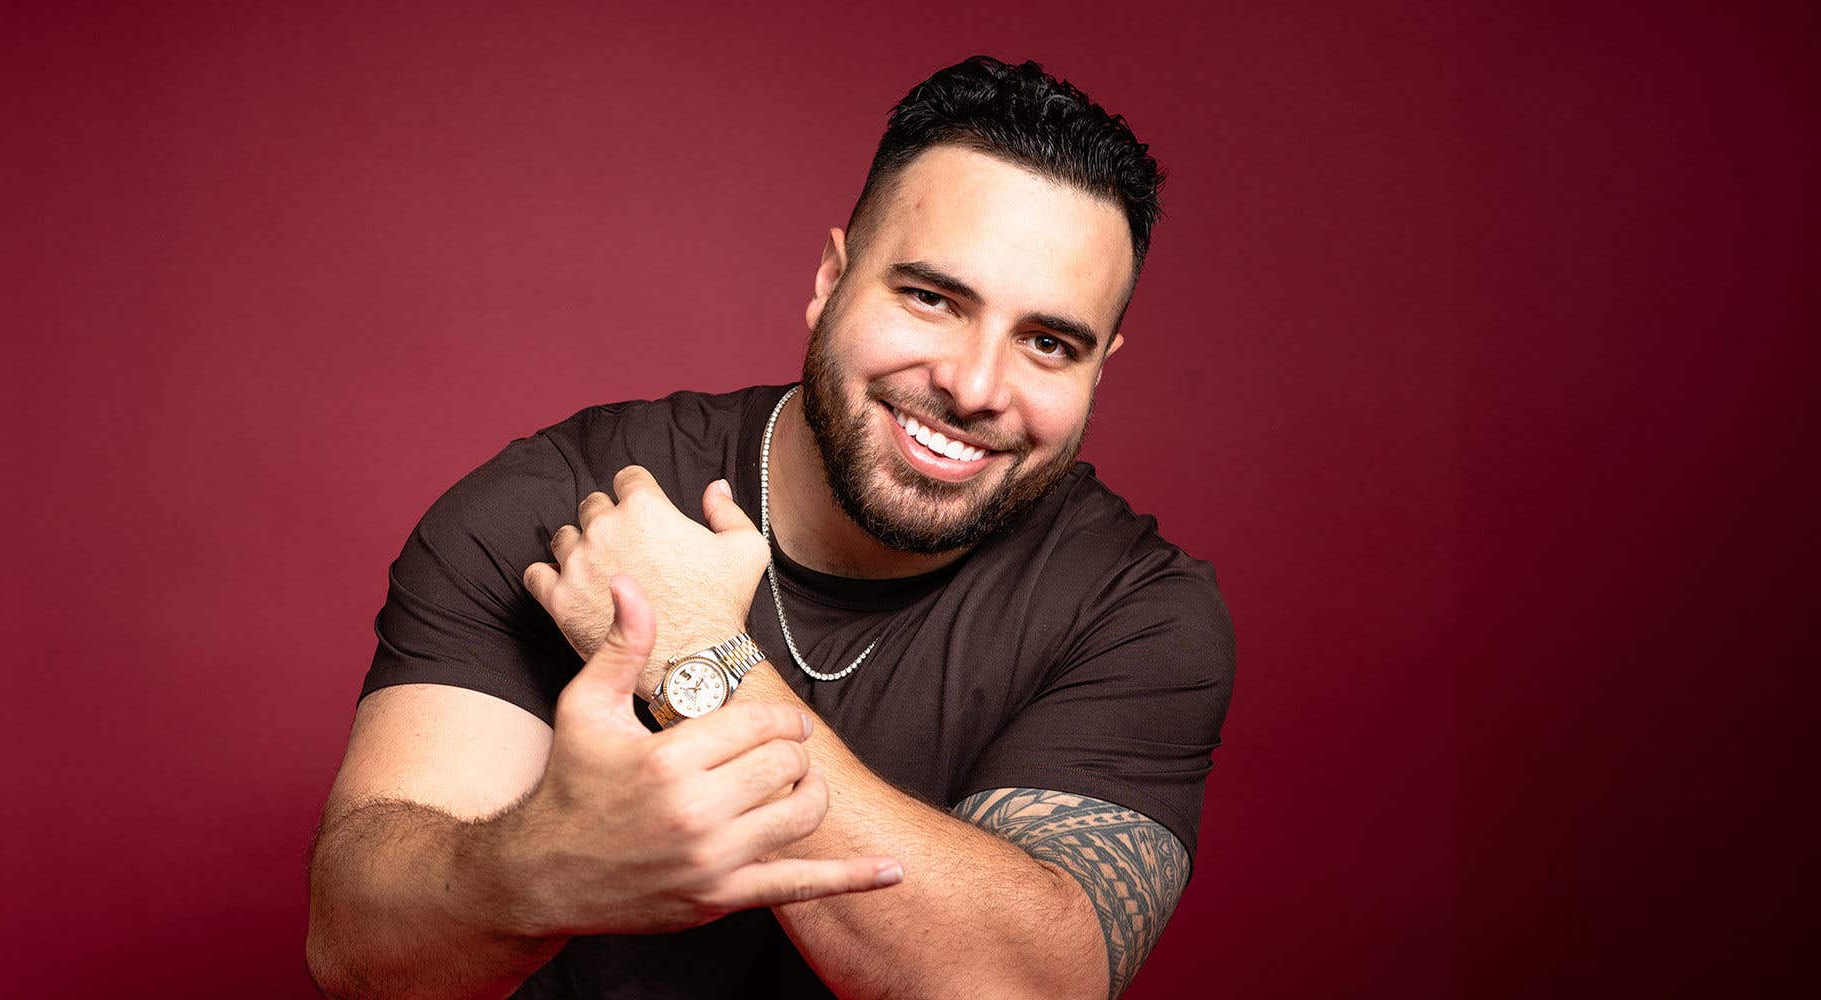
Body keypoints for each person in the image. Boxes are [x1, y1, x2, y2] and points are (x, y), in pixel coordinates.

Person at [306, 55, 1236, 1000]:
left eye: (1047, 342)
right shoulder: (561, 507)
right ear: (831, 279)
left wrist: (697, 660)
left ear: (1099, 366)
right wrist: (530, 871)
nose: (974, 387)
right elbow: (357, 947)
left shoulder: (1137, 612)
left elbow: (1024, 986)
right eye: (931, 298)